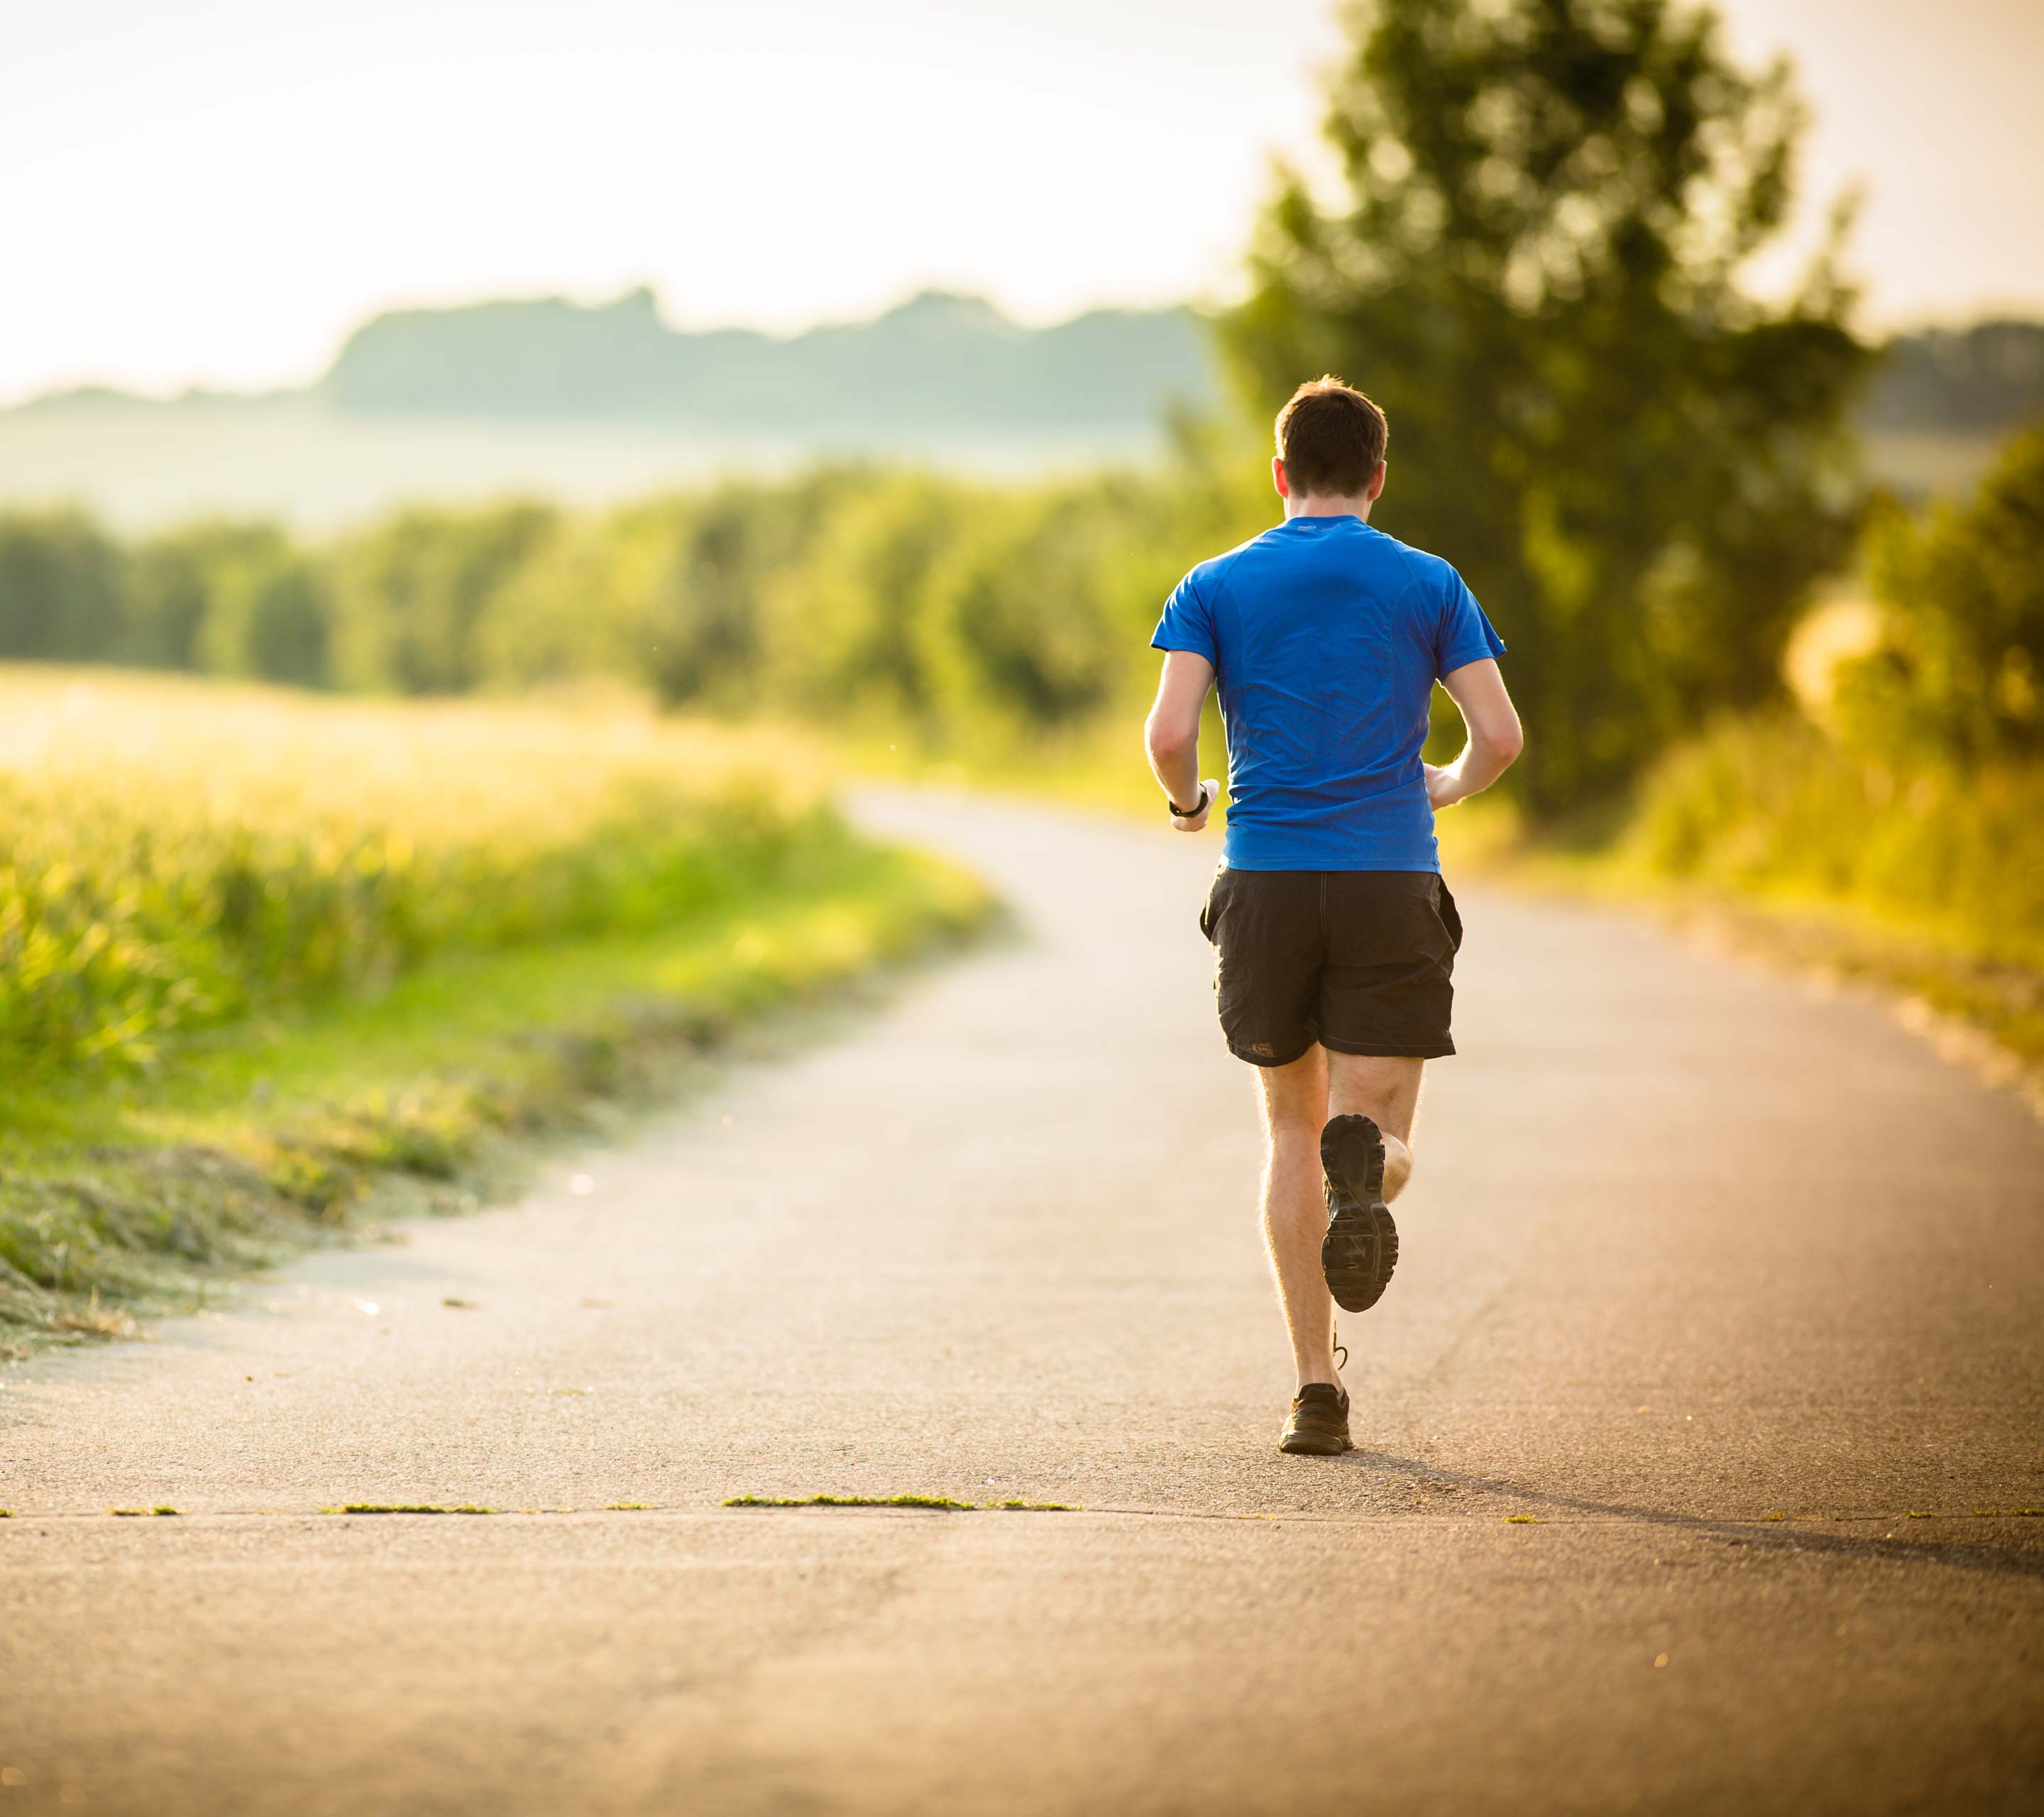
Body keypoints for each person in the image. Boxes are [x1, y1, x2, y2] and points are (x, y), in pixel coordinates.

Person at [1143, 375, 1523, 1457]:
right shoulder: (1428, 581)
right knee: (1377, 1132)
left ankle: (1316, 1391)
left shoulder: (1214, 582)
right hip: (1386, 877)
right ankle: (1377, 1173)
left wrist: (1188, 807)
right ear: (1377, 476)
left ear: (1279, 475)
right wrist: (1444, 784)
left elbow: (1170, 733)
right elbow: (1498, 737)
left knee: (1287, 1130)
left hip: (1265, 879)